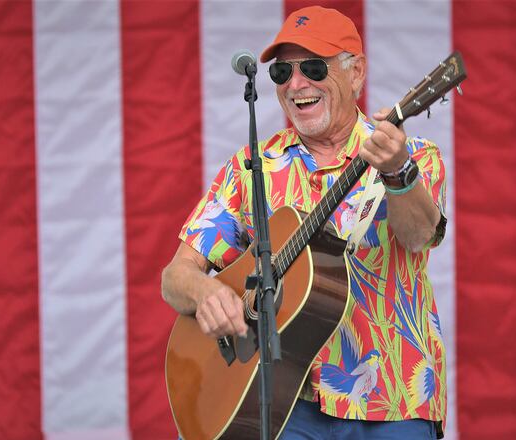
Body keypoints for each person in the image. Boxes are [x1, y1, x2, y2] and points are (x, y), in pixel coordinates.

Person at [162, 5, 447, 440]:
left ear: (356, 74)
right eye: (282, 73)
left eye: (313, 67)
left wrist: (398, 173)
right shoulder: (252, 168)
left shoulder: (412, 155)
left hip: (394, 399)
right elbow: (175, 276)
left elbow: (419, 236)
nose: (296, 84)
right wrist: (207, 293)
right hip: (284, 405)